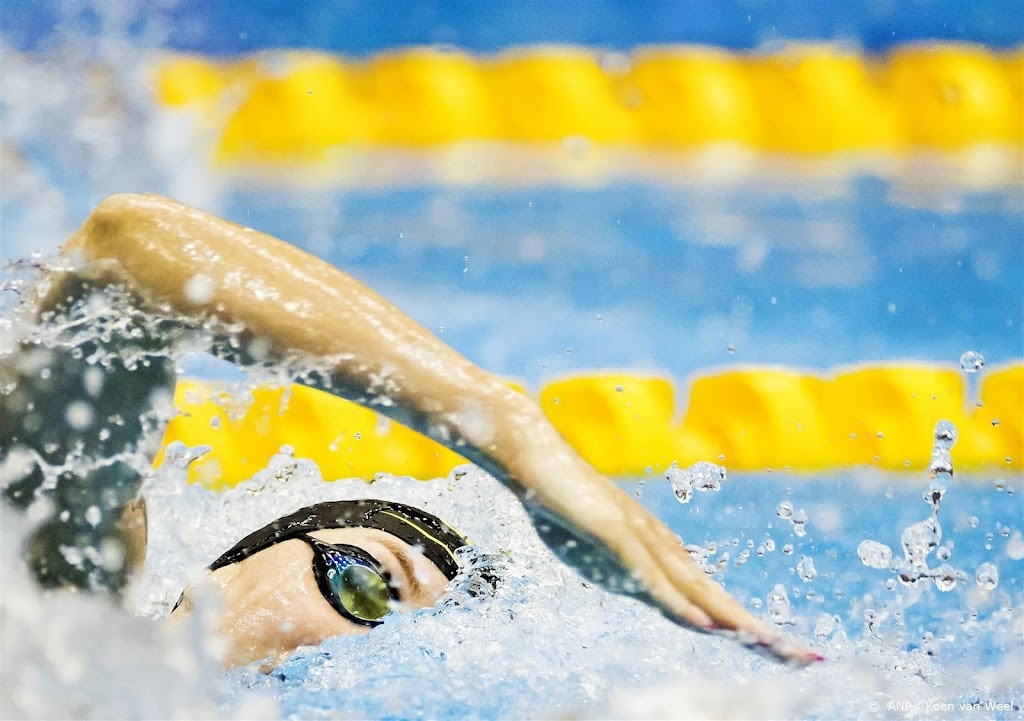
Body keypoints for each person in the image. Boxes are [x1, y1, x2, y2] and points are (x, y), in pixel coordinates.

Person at [0, 193, 821, 670]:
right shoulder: (58, 611)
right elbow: (123, 254)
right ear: (234, 560)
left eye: (398, 643)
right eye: (366, 583)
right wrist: (508, 428)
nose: (349, 651)